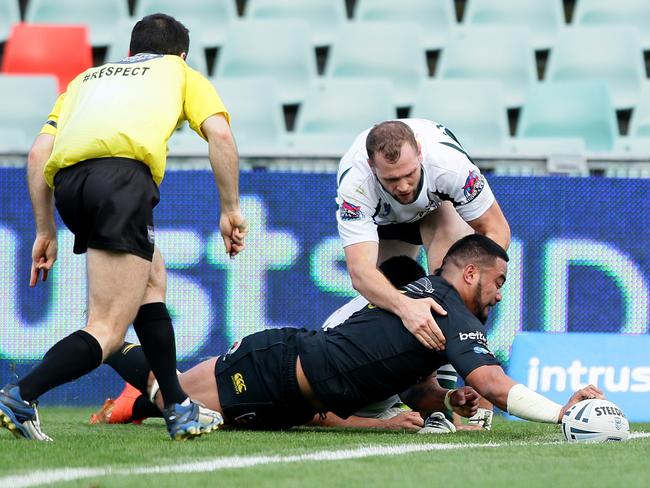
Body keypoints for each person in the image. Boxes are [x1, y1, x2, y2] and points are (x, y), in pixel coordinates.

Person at [0, 13, 248, 442]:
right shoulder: (179, 72)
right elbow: (221, 137)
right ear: (181, 53)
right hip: (121, 182)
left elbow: (40, 153)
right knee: (108, 329)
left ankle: (177, 407)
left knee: (151, 278)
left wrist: (46, 230)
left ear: (131, 52)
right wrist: (230, 209)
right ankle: (22, 394)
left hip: (70, 185)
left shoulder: (85, 80)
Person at [90, 235, 603, 432]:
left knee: (178, 404)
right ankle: (105, 341)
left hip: (291, 402)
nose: (499, 293)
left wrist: (450, 402)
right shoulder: (450, 308)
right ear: (470, 273)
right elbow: (495, 384)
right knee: (172, 396)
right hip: (275, 367)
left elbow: (417, 387)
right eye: (498, 282)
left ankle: (113, 349)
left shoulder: (433, 307)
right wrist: (563, 412)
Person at [336, 118, 509, 423]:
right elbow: (361, 273)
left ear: (419, 152)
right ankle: (416, 396)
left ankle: (461, 398)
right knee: (386, 301)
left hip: (439, 211)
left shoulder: (449, 166)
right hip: (385, 227)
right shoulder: (356, 183)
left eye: (408, 174)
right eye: (391, 180)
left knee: (454, 290)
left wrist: (477, 293)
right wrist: (407, 307)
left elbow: (496, 230)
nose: (402, 186)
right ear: (371, 166)